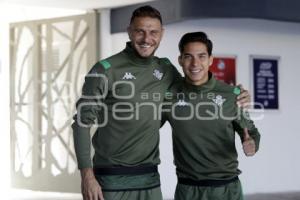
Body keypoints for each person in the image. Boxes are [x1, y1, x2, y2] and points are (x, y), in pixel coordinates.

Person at [72, 6, 251, 200]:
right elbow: (81, 123)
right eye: (140, 31)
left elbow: (195, 88)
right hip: (110, 178)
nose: (146, 38)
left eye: (153, 32)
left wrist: (236, 94)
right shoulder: (104, 70)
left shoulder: (165, 69)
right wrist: (87, 175)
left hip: (150, 179)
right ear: (130, 31)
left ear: (161, 34)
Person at [163, 32, 261, 200]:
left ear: (210, 59)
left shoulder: (232, 94)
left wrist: (252, 143)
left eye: (201, 56)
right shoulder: (169, 94)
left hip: (227, 190)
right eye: (188, 57)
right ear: (180, 60)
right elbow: (146, 126)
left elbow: (250, 132)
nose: (195, 63)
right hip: (188, 190)